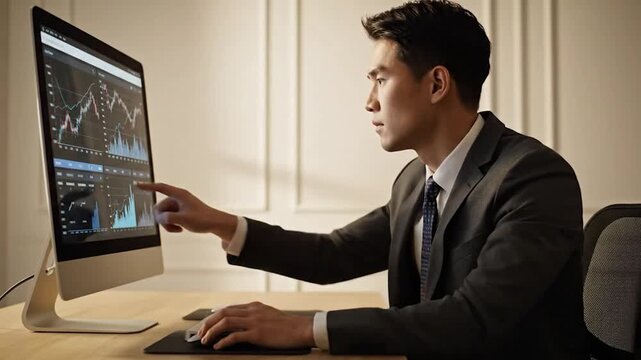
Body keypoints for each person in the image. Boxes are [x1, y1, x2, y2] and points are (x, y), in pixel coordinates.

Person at [137, 0, 587, 358]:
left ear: (436, 85)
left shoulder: (533, 178)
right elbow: (333, 255)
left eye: (381, 79)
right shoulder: (415, 180)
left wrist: (302, 328)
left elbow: (473, 318)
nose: (369, 102)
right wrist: (220, 222)